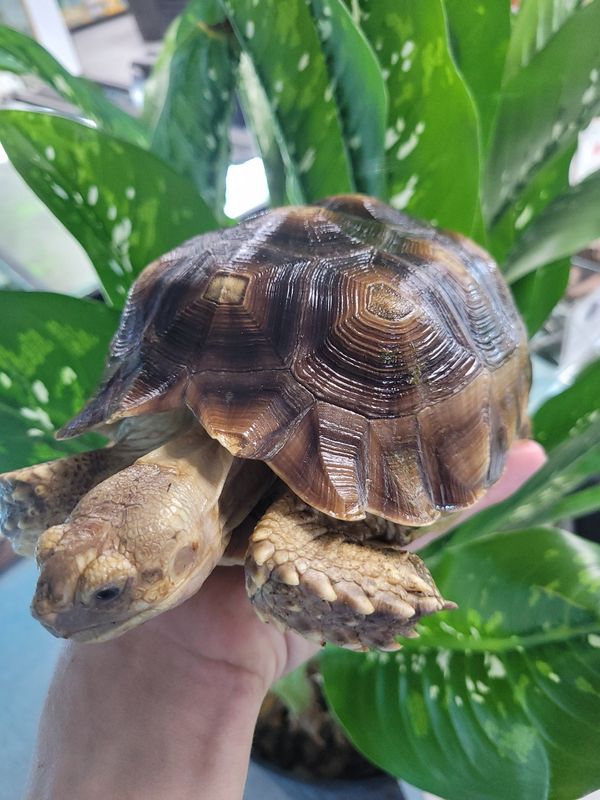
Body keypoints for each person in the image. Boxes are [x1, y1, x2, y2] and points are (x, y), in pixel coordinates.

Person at [26, 440, 546, 800]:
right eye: (58, 542)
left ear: (188, 551)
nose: (42, 610)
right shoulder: (129, 477)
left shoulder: (291, 529)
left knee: (285, 576)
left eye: (110, 591)